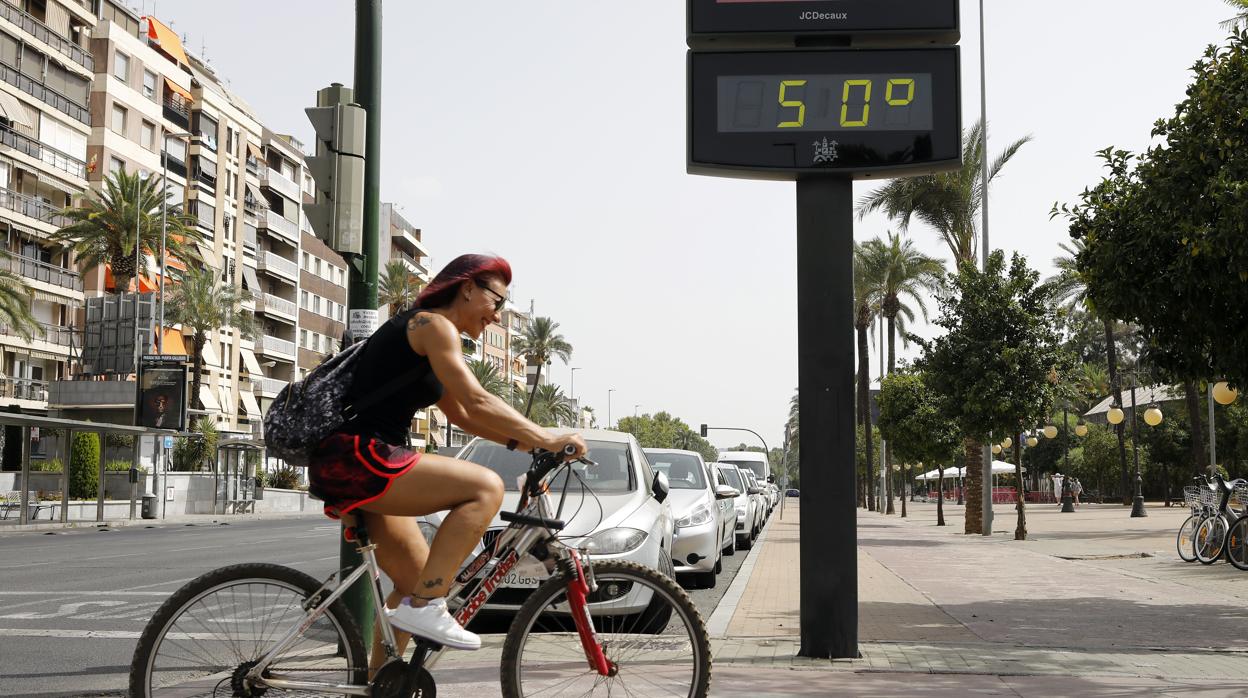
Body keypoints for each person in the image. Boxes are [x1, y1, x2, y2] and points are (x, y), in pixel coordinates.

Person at [306, 254, 587, 662]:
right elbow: (477, 397)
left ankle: (380, 685)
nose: (498, 316)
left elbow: (464, 415)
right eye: (498, 302)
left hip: (350, 461)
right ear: (468, 287)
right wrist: (547, 435)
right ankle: (429, 608)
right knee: (485, 487)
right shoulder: (431, 325)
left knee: (414, 582)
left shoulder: (425, 338)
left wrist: (528, 445)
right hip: (358, 456)